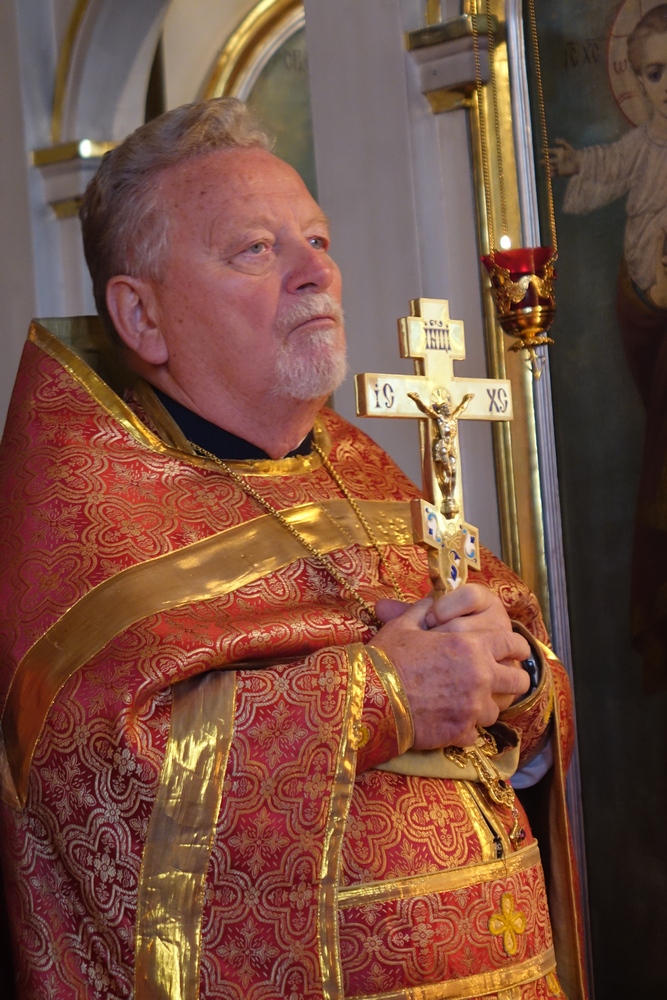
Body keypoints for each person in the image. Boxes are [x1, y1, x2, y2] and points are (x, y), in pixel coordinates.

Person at [0, 98, 586, 999]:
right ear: (142, 317)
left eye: (318, 240)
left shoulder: (355, 466)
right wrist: (384, 693)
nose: (318, 274)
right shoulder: (90, 520)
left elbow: (521, 694)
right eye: (256, 249)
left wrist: (521, 678)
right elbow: (105, 788)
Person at [550, 4, 667, 690]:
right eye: (655, 74)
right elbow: (602, 167)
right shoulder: (642, 144)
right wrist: (571, 163)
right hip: (649, 321)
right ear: (637, 83)